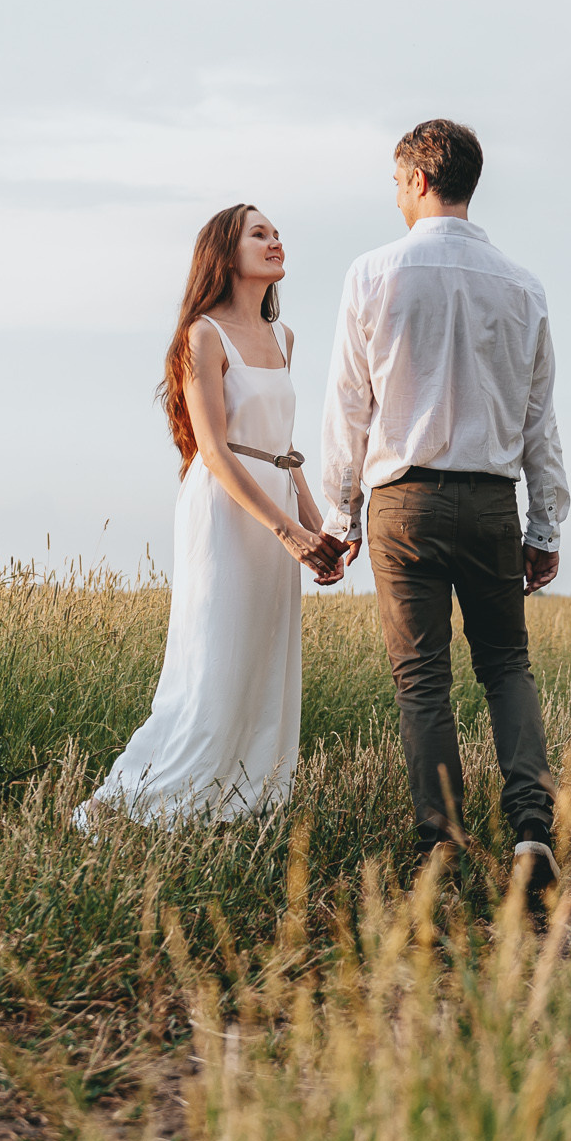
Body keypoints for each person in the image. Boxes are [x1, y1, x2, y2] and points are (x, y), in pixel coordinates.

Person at [319, 120, 570, 897]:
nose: (395, 197)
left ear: (419, 179)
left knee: (422, 679)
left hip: (403, 503)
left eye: (397, 184)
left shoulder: (371, 274)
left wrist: (339, 517)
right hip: (493, 498)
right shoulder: (522, 285)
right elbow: (539, 419)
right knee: (506, 667)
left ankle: (443, 847)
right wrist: (545, 523)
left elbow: (347, 409)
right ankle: (533, 831)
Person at [75, 205, 345, 830]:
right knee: (213, 660)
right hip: (225, 510)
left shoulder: (286, 338)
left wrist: (321, 529)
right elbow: (216, 451)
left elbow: (285, 444)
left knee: (263, 659)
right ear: (225, 253)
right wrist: (288, 532)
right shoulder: (203, 334)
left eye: (278, 232)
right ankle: (143, 803)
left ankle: (244, 801)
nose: (276, 240)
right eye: (260, 234)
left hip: (275, 498)